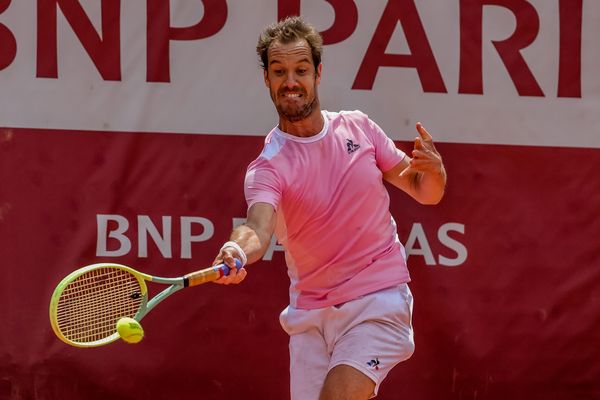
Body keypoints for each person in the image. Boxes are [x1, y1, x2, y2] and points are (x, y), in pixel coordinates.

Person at [212, 16, 447, 400]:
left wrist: (434, 173)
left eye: (301, 70)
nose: (291, 81)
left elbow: (425, 191)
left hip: (378, 299)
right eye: (279, 71)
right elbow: (257, 227)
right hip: (310, 318)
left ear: (318, 74)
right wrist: (237, 248)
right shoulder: (268, 166)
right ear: (267, 80)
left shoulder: (359, 129)